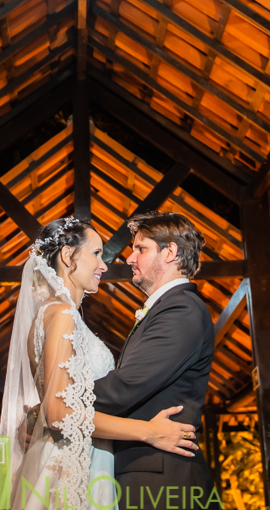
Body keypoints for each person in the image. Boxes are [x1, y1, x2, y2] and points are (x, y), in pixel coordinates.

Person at [0, 217, 200, 510]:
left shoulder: (57, 316)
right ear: (69, 256)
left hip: (83, 457)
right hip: (72, 465)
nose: (105, 265)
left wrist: (40, 412)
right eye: (96, 254)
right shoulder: (62, 316)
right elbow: (59, 410)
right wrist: (147, 430)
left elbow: (57, 405)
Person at [93, 212, 217, 510]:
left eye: (140, 248)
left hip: (162, 478)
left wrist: (57, 403)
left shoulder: (181, 309)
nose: (129, 259)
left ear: (170, 252)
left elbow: (126, 386)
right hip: (148, 468)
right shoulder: (170, 307)